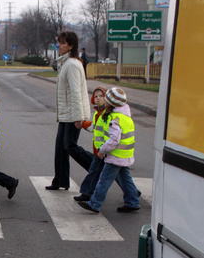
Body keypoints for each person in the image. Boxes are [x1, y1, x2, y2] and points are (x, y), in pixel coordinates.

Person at [77, 88, 141, 213]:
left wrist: (102, 151)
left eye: (106, 98)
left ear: (110, 102)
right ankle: (133, 201)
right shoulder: (125, 117)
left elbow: (114, 140)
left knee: (104, 180)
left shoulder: (114, 119)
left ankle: (94, 204)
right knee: (126, 180)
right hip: (125, 154)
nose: (103, 100)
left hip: (115, 155)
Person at [46, 31, 91, 191]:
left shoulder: (71, 64)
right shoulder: (66, 63)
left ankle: (97, 167)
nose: (59, 45)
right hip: (67, 114)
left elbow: (75, 92)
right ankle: (60, 180)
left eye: (62, 43)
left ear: (71, 46)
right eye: (58, 42)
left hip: (73, 114)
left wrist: (79, 117)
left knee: (70, 146)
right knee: (61, 149)